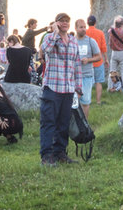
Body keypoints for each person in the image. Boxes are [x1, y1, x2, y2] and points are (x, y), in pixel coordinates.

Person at [38, 13, 82, 166]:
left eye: (66, 21)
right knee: (48, 122)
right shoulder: (50, 38)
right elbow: (46, 51)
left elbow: (77, 64)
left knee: (64, 123)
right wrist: (55, 33)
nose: (64, 23)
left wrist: (78, 86)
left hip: (68, 88)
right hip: (52, 86)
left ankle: (60, 153)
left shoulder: (73, 41)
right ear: (55, 23)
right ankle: (46, 156)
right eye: (61, 21)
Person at [74, 19, 101, 117]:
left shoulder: (91, 41)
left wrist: (88, 60)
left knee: (85, 102)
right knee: (74, 103)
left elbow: (99, 56)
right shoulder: (72, 41)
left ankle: (85, 126)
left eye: (84, 27)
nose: (83, 29)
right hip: (73, 76)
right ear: (76, 28)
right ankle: (75, 125)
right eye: (81, 27)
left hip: (87, 75)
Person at [85, 15, 108, 105]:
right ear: (95, 22)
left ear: (87, 23)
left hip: (87, 62)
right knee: (98, 82)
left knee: (88, 82)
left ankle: (87, 100)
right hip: (98, 61)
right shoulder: (100, 32)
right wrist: (106, 59)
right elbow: (103, 47)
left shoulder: (85, 33)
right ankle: (98, 101)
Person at [107, 16, 123, 92]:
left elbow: (110, 43)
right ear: (122, 24)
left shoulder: (111, 31)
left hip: (114, 52)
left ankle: (110, 88)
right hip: (122, 52)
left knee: (112, 71)